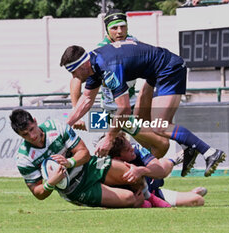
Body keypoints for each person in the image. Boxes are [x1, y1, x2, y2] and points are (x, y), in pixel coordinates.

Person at [60, 41, 226, 177]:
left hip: (168, 69)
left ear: (83, 66)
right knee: (149, 125)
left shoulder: (108, 67)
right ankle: (188, 148)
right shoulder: (94, 63)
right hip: (155, 73)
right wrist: (63, 127)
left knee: (160, 125)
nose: (75, 78)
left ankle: (209, 151)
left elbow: (124, 109)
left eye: (74, 73)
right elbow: (87, 99)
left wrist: (109, 138)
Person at [9, 108, 170, 208]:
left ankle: (151, 198)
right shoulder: (24, 159)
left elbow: (84, 153)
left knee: (131, 173)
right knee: (130, 200)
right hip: (76, 188)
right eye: (25, 134)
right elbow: (38, 193)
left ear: (35, 121)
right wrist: (51, 182)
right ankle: (140, 203)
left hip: (89, 167)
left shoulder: (56, 128)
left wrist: (70, 162)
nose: (32, 136)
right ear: (19, 135)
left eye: (32, 129)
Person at [69, 8, 169, 158]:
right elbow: (76, 79)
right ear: (107, 30)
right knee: (156, 146)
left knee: (148, 148)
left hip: (128, 108)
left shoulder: (133, 43)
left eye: (123, 26)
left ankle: (144, 175)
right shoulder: (101, 51)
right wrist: (76, 111)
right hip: (111, 112)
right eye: (114, 28)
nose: (119, 31)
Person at [106, 132, 206, 207]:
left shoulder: (136, 149)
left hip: (151, 183)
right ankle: (191, 193)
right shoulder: (107, 167)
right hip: (145, 196)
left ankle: (176, 159)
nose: (131, 149)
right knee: (196, 199)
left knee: (161, 166)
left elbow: (159, 170)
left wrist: (141, 171)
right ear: (117, 158)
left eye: (129, 145)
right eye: (127, 150)